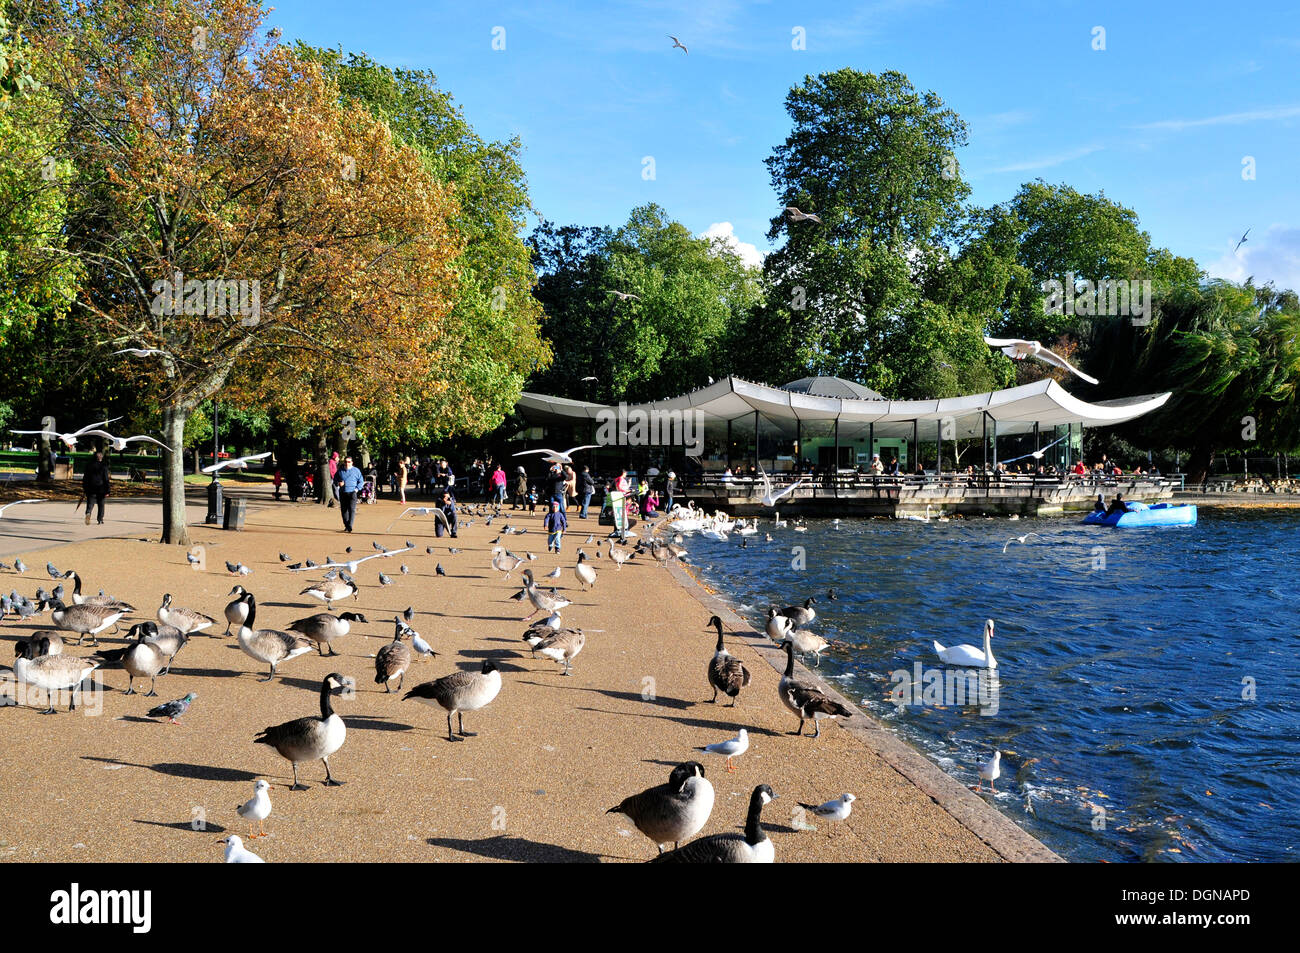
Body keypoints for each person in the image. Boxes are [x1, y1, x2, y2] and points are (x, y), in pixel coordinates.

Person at [334, 455, 364, 533]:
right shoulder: (340, 471)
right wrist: (338, 483)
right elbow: (335, 480)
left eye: (349, 462)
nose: (347, 463)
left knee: (352, 509)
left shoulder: (356, 470)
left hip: (352, 492)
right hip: (343, 492)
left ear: (352, 462)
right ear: (343, 462)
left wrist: (357, 489)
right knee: (344, 510)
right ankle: (346, 525)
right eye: (345, 462)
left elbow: (361, 481)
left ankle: (350, 526)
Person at [82, 448, 111, 525]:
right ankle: (100, 519)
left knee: (90, 503)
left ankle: (88, 513)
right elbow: (106, 479)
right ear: (101, 457)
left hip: (90, 488)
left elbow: (85, 478)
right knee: (101, 504)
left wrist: (85, 488)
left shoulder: (89, 465)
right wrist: (108, 490)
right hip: (101, 488)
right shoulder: (103, 466)